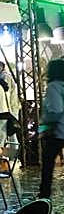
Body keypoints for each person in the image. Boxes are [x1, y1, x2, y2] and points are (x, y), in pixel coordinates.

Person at [39, 58, 64, 200]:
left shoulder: (53, 87)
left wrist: (43, 127)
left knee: (47, 166)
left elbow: (55, 110)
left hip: (56, 131)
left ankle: (44, 197)